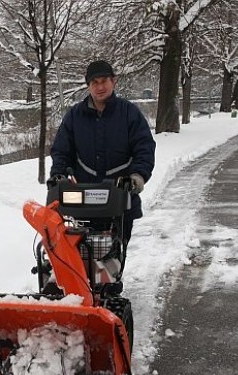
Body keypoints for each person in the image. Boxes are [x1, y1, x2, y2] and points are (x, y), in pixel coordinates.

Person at [47, 60, 156, 290]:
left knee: (112, 252)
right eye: (94, 82)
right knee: (75, 250)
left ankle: (108, 293)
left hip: (119, 196)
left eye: (104, 81)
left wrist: (137, 177)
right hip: (82, 199)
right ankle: (73, 289)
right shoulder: (75, 116)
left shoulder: (129, 114)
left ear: (113, 81)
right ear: (88, 86)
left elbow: (144, 148)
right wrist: (58, 176)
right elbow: (61, 151)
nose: (99, 87)